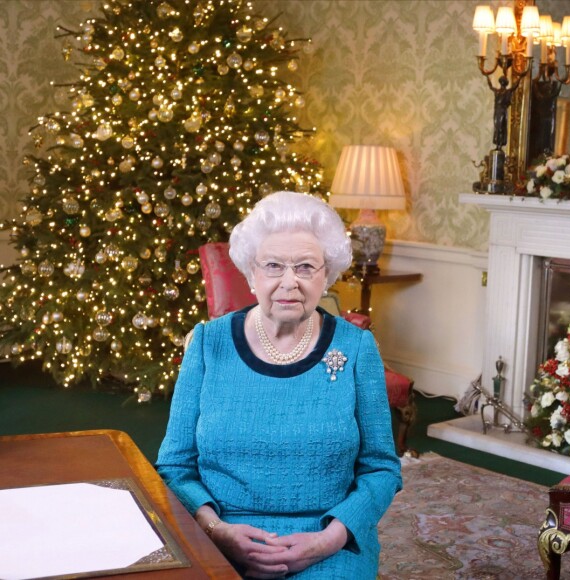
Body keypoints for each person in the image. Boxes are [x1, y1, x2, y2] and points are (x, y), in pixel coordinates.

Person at [156, 191, 402, 579]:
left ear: (327, 276)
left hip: (327, 537)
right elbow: (174, 466)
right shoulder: (208, 343)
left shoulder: (355, 348)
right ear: (251, 274)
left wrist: (329, 538)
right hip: (221, 532)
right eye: (273, 266)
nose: (290, 282)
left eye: (305, 267)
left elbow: (381, 468)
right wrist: (218, 532)